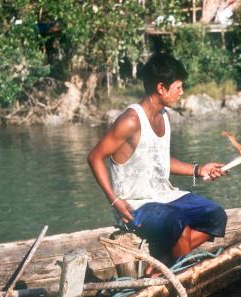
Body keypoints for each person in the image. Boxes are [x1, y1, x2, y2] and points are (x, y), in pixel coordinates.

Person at [88, 53, 228, 271]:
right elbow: (95, 157)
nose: (182, 92)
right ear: (161, 87)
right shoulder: (131, 120)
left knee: (216, 215)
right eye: (178, 87)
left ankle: (164, 262)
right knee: (177, 221)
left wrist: (198, 169)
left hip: (166, 196)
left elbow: (159, 159)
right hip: (137, 205)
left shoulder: (164, 115)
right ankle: (171, 266)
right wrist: (114, 200)